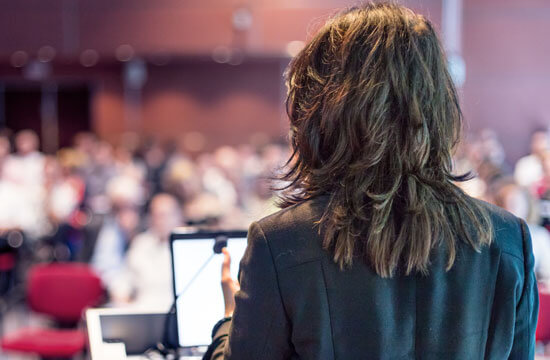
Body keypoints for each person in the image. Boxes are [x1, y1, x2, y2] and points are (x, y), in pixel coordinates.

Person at [203, 3, 538, 359]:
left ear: (317, 111)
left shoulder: (280, 244)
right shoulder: (507, 240)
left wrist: (229, 322)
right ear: (438, 105)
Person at [109, 193, 183, 309]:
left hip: (176, 311)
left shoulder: (189, 246)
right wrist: (120, 294)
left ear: (179, 216)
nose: (161, 221)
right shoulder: (141, 243)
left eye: (165, 215)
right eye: (156, 215)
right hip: (142, 310)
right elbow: (124, 279)